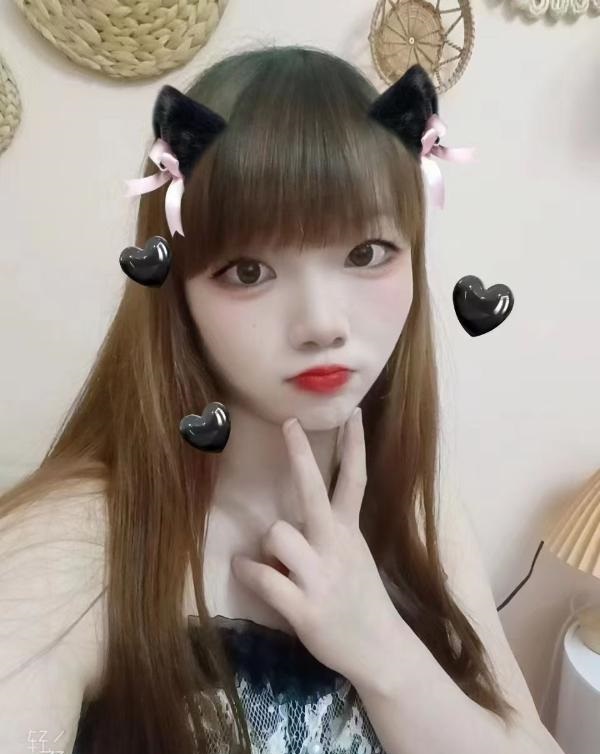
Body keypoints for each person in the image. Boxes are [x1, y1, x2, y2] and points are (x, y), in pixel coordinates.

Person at [0, 45, 549, 754]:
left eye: (366, 254)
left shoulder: (416, 501)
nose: (321, 323)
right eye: (249, 271)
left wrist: (384, 653)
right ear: (177, 290)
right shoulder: (79, 545)